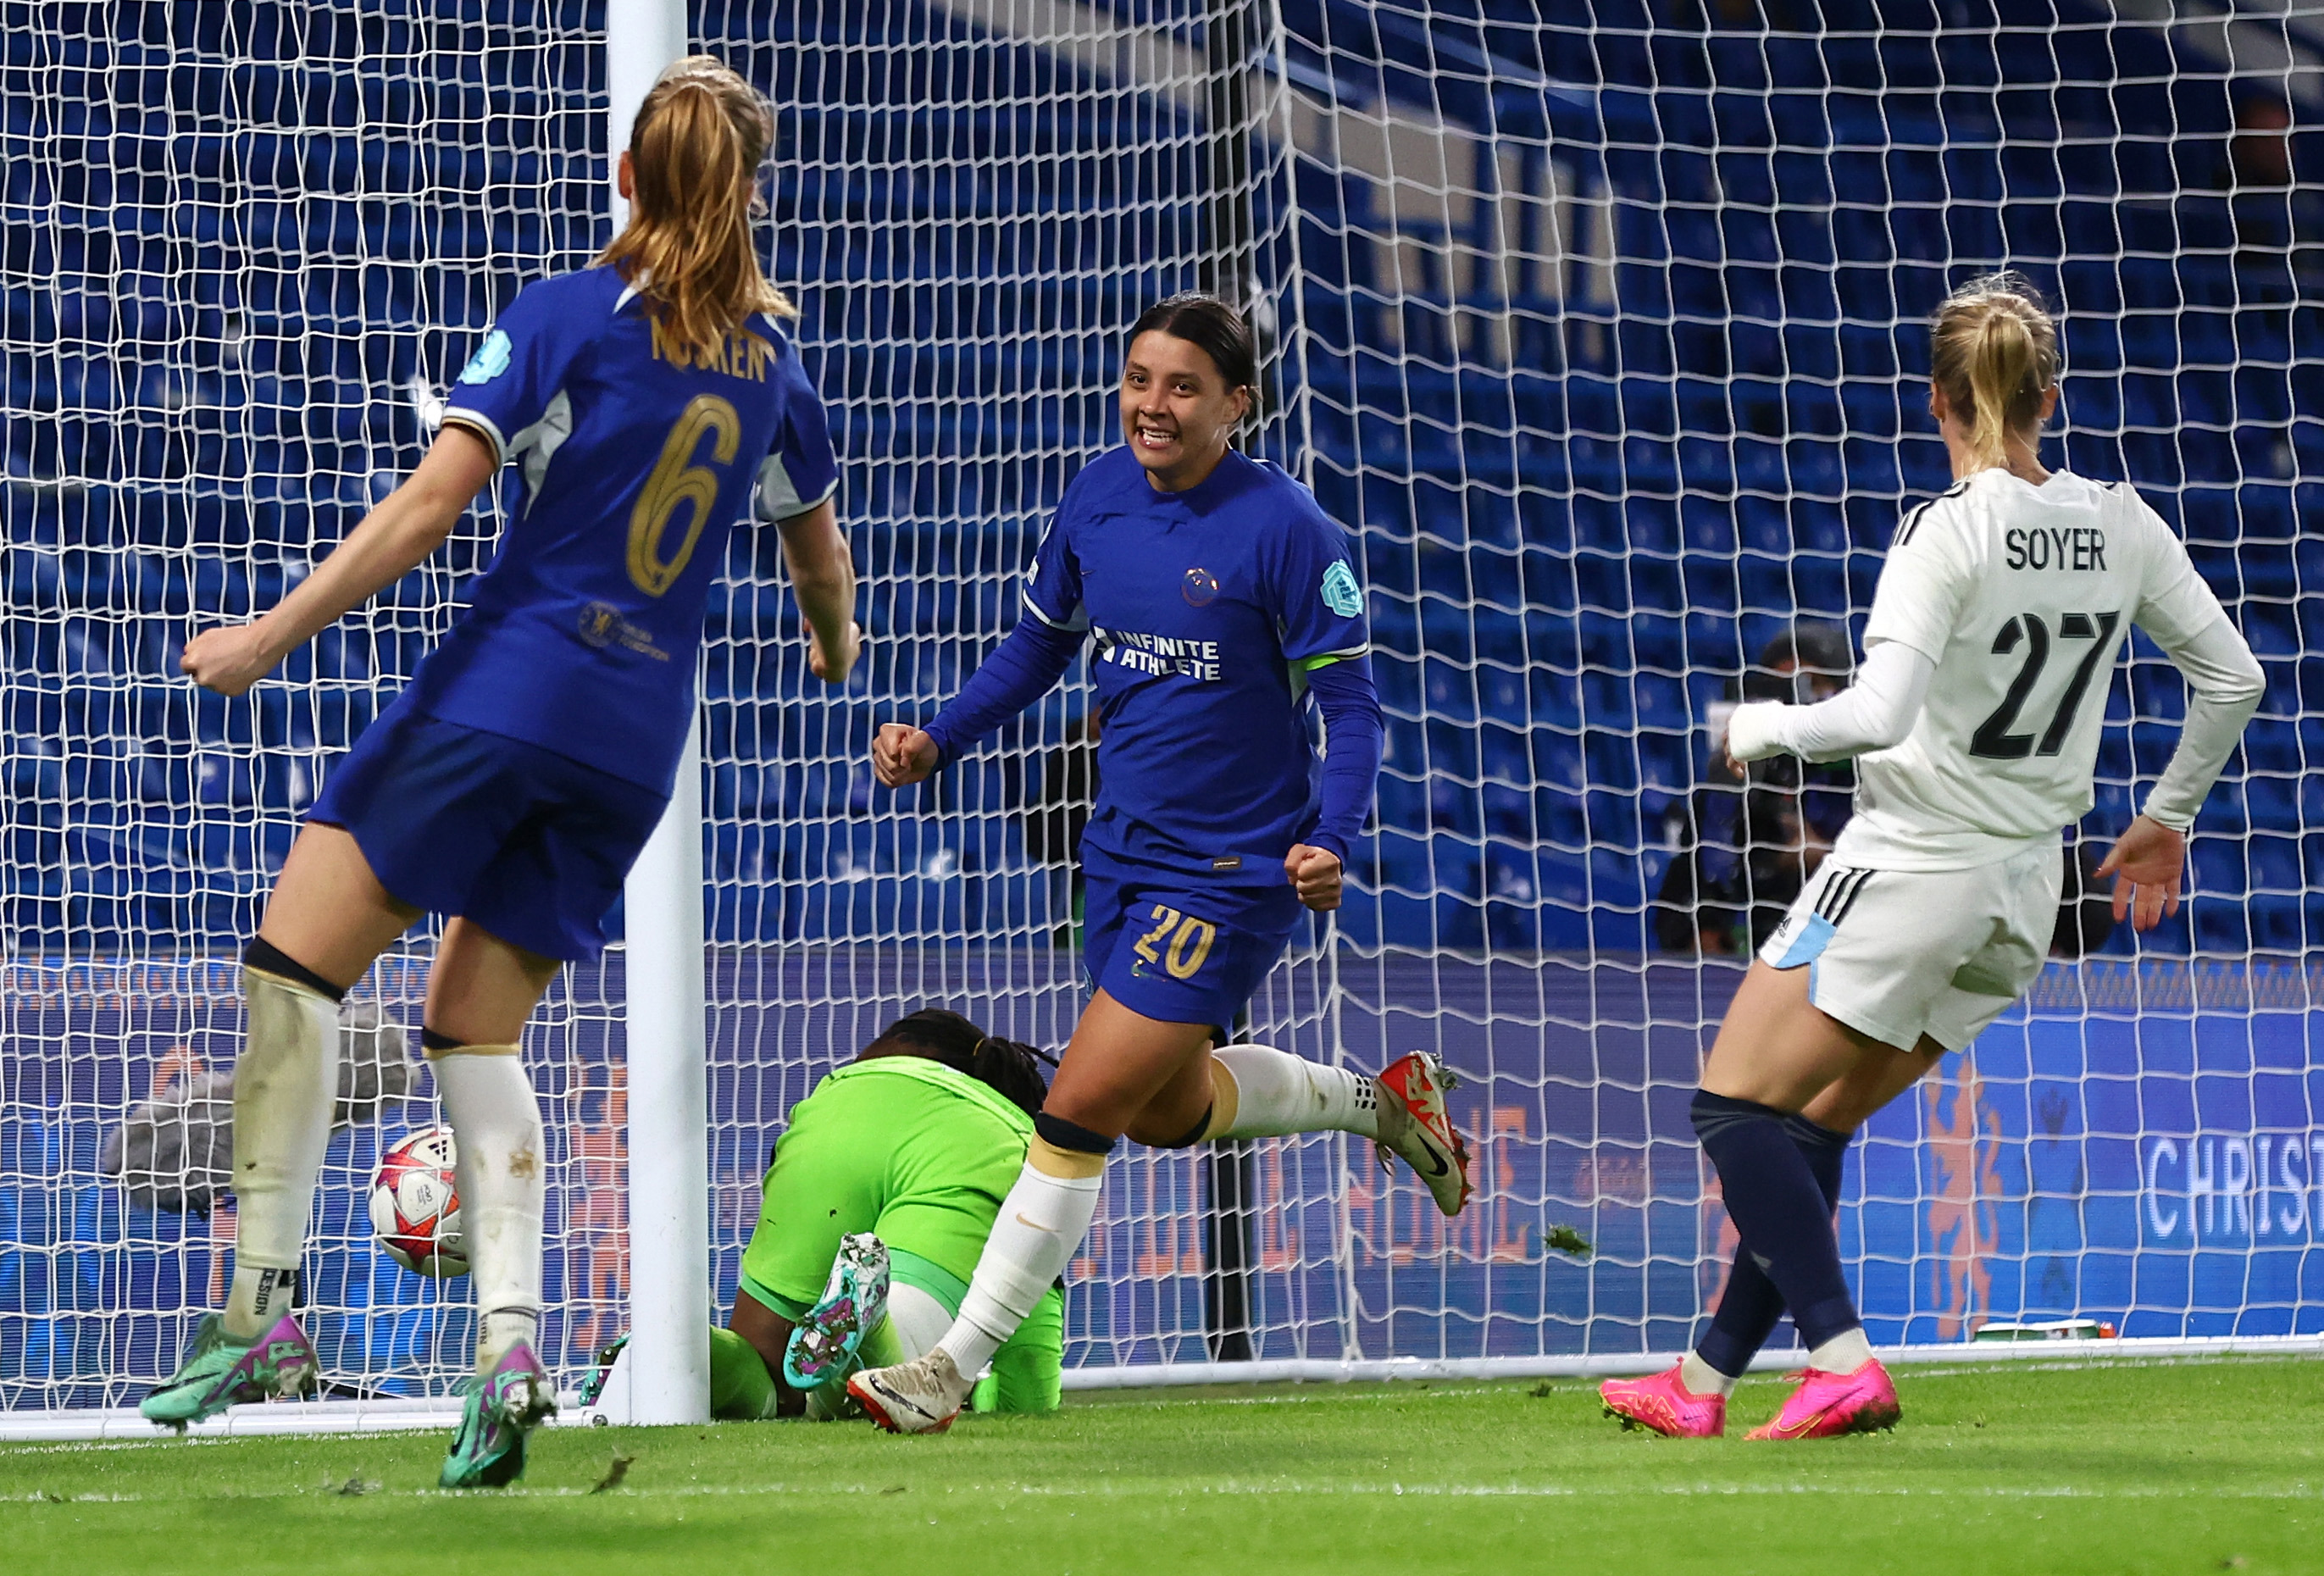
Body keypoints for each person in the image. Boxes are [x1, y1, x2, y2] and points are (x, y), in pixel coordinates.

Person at [140, 56, 859, 1489]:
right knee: (474, 1030)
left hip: (504, 695)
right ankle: (511, 1346)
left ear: (624, 182)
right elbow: (821, 558)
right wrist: (838, 655)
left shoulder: (563, 318)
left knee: (295, 962)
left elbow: (425, 505)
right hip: (632, 745)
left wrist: (268, 638)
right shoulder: (774, 371)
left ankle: (264, 1309)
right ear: (748, 196)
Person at [1600, 272, 2263, 1440]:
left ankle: (1840, 1359)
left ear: (1935, 402)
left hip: (1908, 863)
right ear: (2045, 397)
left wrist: (1754, 730)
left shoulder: (1939, 532)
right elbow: (2234, 677)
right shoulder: (2119, 521)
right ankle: (1701, 1384)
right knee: (1810, 1125)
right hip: (2023, 889)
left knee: (1730, 1108)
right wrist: (2167, 816)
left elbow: (1871, 713)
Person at [848, 293, 1466, 1434]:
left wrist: (1327, 839)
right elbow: (1039, 642)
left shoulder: (1289, 531)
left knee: (1078, 1103)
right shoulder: (1094, 496)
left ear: (1236, 404)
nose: (1152, 405)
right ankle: (1380, 1104)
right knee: (1163, 1114)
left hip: (1228, 872)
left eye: (1181, 387)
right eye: (1138, 379)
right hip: (1118, 851)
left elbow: (1352, 708)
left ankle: (947, 1371)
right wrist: (939, 738)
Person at [580, 1008, 1068, 1421]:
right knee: (908, 1363)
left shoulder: (848, 1083)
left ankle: (663, 1354)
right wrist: (985, 1397)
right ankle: (872, 1321)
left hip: (830, 1122)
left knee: (773, 1377)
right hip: (970, 1152)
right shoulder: (1016, 1139)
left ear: (895, 1045)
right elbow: (1028, 1385)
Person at [1656, 624, 1854, 955]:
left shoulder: (1860, 769)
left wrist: (1825, 853)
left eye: (1810, 685)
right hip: (1749, 931)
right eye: (1782, 686)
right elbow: (1705, 867)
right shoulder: (1737, 771)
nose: (1795, 699)